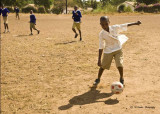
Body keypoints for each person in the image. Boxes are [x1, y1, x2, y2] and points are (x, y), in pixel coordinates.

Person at [93, 16, 141, 86]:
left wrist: (135, 23)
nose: (104, 26)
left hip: (118, 48)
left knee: (119, 64)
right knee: (103, 66)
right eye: (102, 25)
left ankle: (121, 78)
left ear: (109, 23)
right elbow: (101, 47)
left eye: (106, 24)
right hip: (108, 51)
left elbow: (125, 25)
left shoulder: (115, 27)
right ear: (100, 24)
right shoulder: (101, 34)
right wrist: (99, 59)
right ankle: (98, 79)